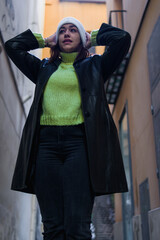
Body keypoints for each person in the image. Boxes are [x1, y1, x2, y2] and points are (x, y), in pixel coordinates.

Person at [5, 17, 131, 240]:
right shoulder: (43, 68)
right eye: (62, 30)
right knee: (52, 226)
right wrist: (45, 40)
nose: (66, 33)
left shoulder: (97, 66)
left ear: (81, 38)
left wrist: (90, 36)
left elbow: (122, 39)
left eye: (73, 30)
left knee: (77, 225)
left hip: (79, 145)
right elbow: (12, 46)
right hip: (45, 147)